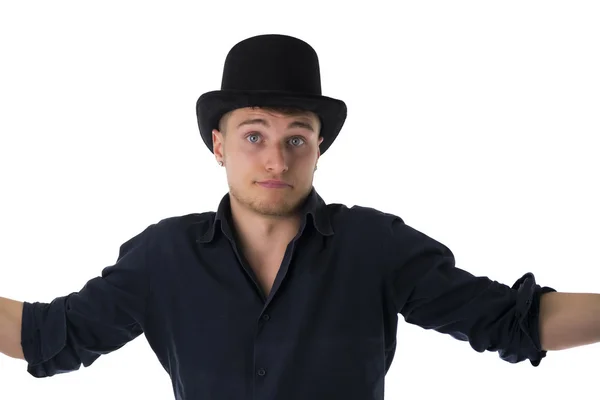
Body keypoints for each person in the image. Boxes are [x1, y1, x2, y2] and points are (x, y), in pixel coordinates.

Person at [0, 33, 598, 400]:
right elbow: (51, 337)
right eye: (254, 135)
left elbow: (509, 322)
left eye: (296, 139)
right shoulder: (165, 257)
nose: (274, 159)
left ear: (318, 148)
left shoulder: (375, 245)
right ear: (218, 145)